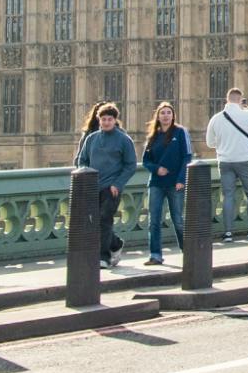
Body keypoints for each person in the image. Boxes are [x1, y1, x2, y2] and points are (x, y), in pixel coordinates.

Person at [75, 103, 138, 268]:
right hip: (92, 186)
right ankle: (115, 243)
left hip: (111, 188)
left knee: (104, 219)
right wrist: (85, 177)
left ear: (115, 120)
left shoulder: (124, 140)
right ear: (99, 120)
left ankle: (103, 257)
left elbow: (131, 165)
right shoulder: (91, 138)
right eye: (103, 119)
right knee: (94, 221)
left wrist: (118, 183)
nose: (106, 122)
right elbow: (82, 160)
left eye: (109, 119)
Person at [206, 87, 248, 240]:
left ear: (226, 100)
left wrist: (224, 145)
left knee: (228, 196)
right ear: (240, 100)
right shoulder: (246, 114)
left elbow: (210, 143)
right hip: (245, 160)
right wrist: (247, 110)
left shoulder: (216, 118)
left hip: (225, 162)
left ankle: (228, 233)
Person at [141, 102, 193, 266]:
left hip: (174, 183)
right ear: (158, 116)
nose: (165, 115)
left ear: (173, 116)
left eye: (168, 112)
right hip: (156, 183)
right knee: (154, 221)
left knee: (178, 219)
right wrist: (156, 169)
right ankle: (155, 255)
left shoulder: (180, 132)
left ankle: (188, 252)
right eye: (162, 113)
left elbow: (187, 156)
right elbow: (145, 161)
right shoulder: (153, 136)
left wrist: (181, 179)